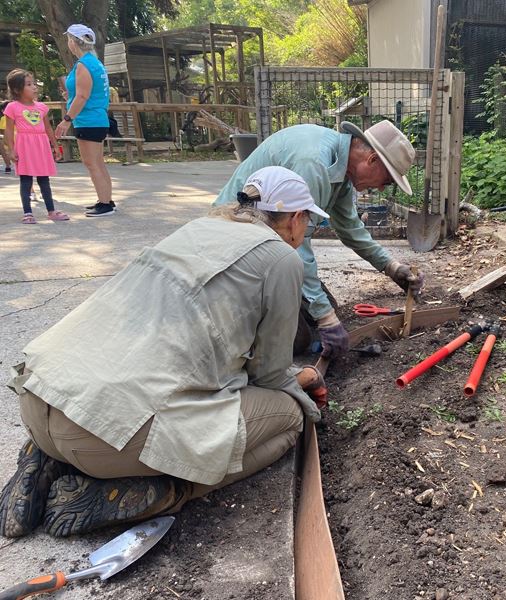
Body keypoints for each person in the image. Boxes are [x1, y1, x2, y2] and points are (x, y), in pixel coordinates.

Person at [0, 166, 328, 538]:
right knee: (291, 419)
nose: (305, 235)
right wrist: (302, 379)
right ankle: (162, 492)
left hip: (39, 396)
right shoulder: (282, 259)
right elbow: (268, 376)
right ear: (296, 218)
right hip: (103, 440)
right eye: (309, 225)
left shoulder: (197, 228)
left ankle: (46, 456)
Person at [214, 120, 425, 359]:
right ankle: (238, 343)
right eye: (386, 181)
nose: (382, 190)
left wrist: (391, 267)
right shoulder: (315, 164)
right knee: (299, 337)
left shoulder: (342, 172)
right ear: (372, 160)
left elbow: (350, 229)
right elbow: (296, 247)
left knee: (324, 313)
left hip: (267, 245)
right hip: (238, 245)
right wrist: (325, 317)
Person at [54, 24, 114, 217]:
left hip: (88, 120)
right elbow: (84, 94)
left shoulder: (84, 65)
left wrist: (66, 119)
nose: (68, 43)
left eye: (69, 39)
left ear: (74, 41)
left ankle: (105, 204)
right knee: (98, 162)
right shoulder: (95, 63)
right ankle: (106, 199)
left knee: (91, 163)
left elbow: (82, 97)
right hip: (97, 118)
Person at [3, 70, 70, 223]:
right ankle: (28, 213)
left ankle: (51, 211)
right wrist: (11, 150)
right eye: (29, 84)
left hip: (41, 145)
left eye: (34, 84)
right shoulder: (12, 107)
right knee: (26, 180)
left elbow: (48, 128)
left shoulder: (41, 107)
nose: (34, 87)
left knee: (44, 179)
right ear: (16, 89)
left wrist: (55, 145)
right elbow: (8, 130)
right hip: (24, 145)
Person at [1, 99, 13, 173]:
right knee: (4, 149)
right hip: (6, 138)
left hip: (16, 137)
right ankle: (8, 165)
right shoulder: (3, 118)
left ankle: (8, 165)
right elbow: (2, 130)